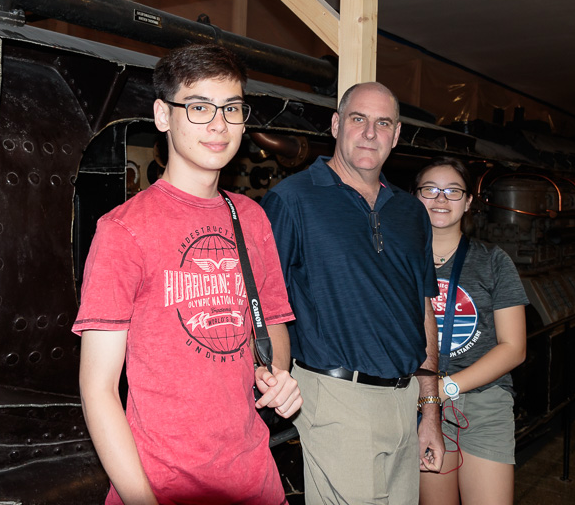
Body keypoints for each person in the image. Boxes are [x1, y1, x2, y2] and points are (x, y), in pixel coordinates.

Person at [73, 44, 302, 505]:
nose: (219, 125)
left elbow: (272, 325)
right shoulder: (123, 230)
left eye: (231, 108)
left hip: (256, 481)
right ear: (163, 116)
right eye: (199, 107)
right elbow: (97, 389)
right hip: (163, 485)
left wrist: (274, 375)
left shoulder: (251, 218)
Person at [261, 81, 445, 505]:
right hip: (337, 399)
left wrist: (430, 411)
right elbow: (263, 309)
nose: (369, 133)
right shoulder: (292, 200)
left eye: (383, 123)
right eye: (358, 119)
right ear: (336, 124)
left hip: (404, 401)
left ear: (396, 135)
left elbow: (422, 310)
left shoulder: (411, 212)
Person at [414, 157, 527, 505]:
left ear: (468, 202)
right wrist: (429, 395)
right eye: (430, 190)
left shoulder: (493, 261)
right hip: (419, 405)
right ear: (415, 197)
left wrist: (447, 387)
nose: (440, 198)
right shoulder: (399, 262)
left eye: (453, 191)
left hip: (483, 402)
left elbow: (514, 348)